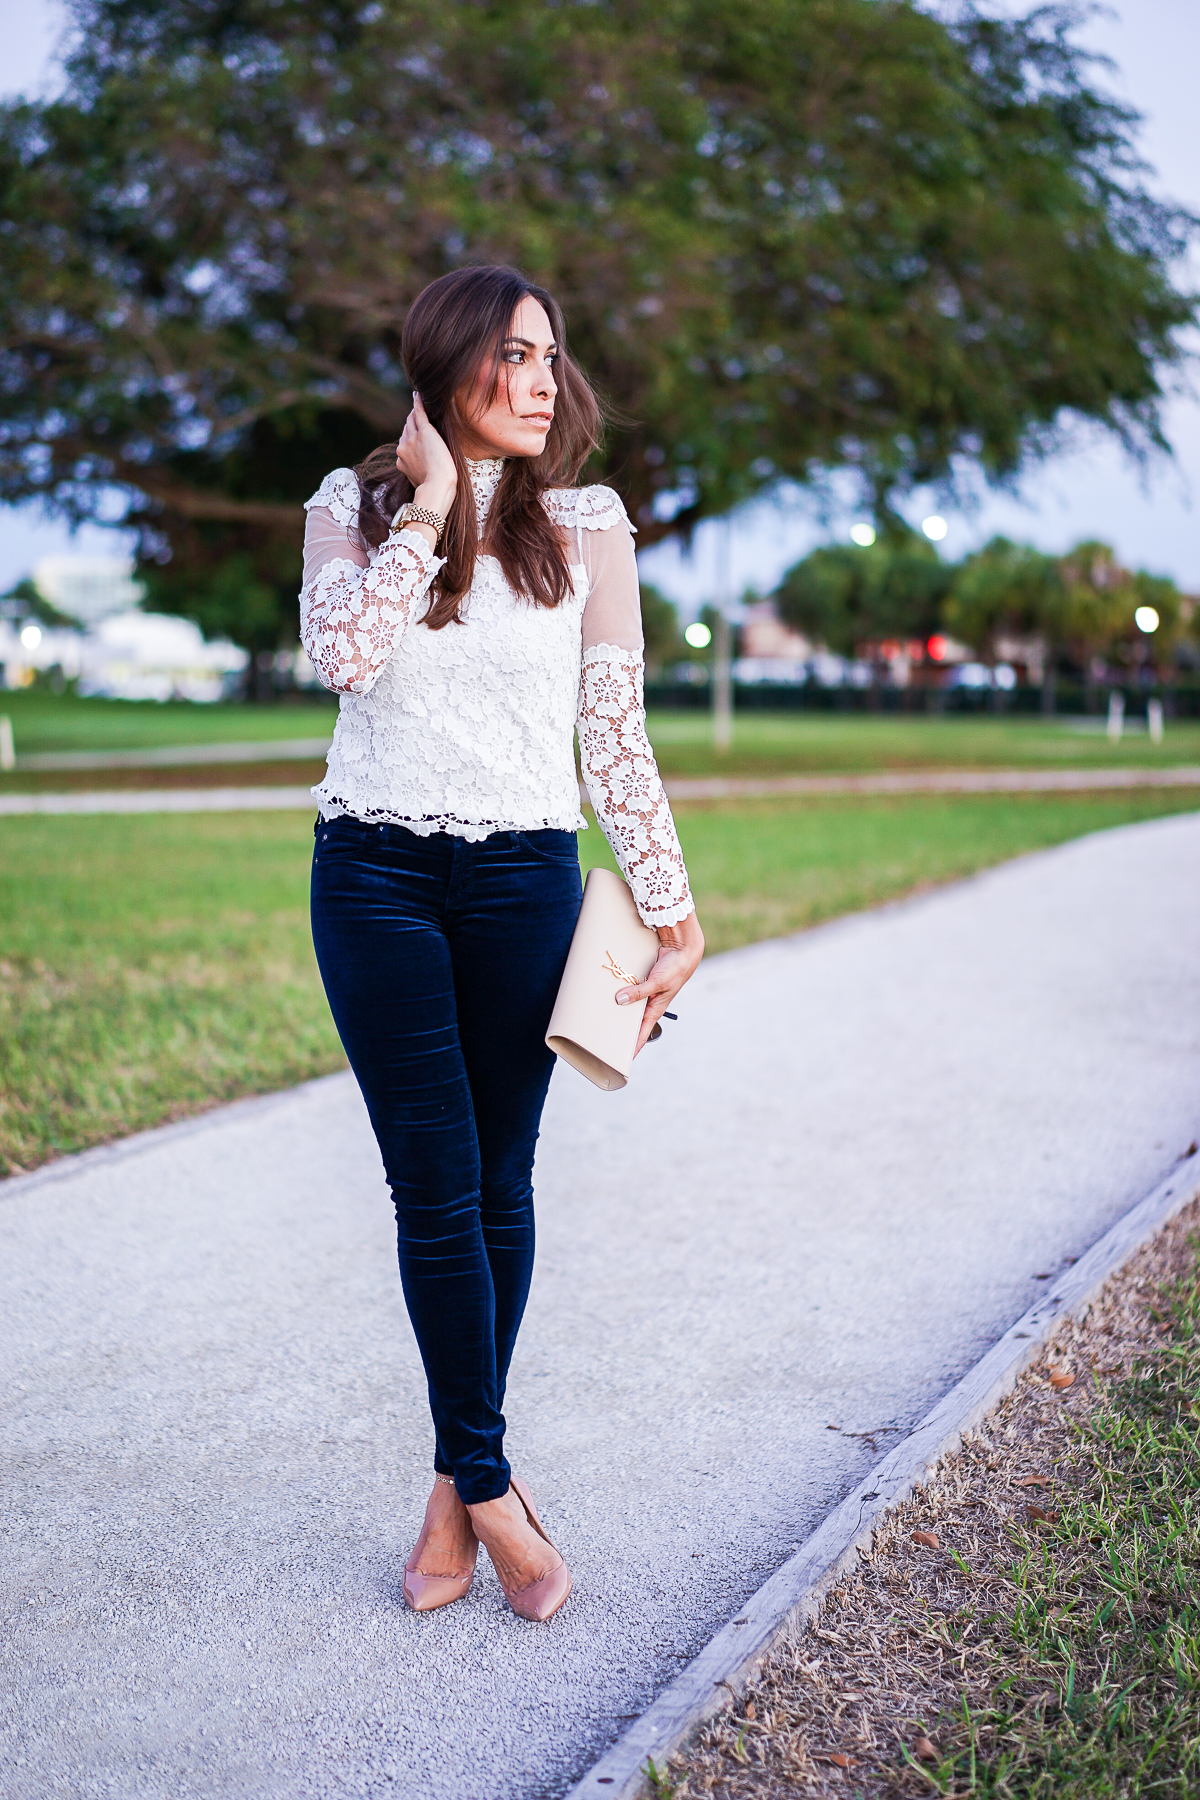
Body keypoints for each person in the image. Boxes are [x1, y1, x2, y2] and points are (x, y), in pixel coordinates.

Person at [302, 264, 703, 1622]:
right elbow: (347, 659)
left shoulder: (585, 525)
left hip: (527, 880)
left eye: (552, 357)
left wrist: (674, 907)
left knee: (499, 1179)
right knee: (435, 1190)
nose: (545, 380)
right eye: (517, 355)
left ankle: (449, 1489)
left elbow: (614, 737)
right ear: (450, 361)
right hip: (376, 878)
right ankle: (494, 1491)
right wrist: (421, 508)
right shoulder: (349, 510)